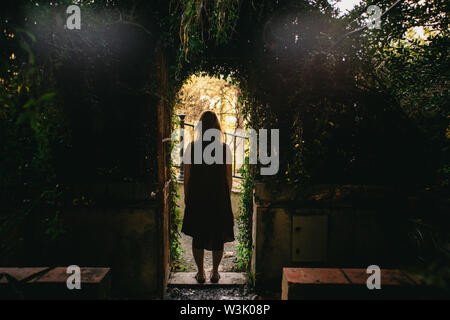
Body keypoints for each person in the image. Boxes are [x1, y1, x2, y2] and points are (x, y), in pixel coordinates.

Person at [181, 110, 234, 283]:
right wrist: (227, 198)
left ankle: (201, 272)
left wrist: (187, 197)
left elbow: (187, 176)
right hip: (218, 197)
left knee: (198, 234)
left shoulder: (192, 147)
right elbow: (228, 177)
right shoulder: (224, 148)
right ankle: (216, 273)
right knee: (218, 236)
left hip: (198, 196)